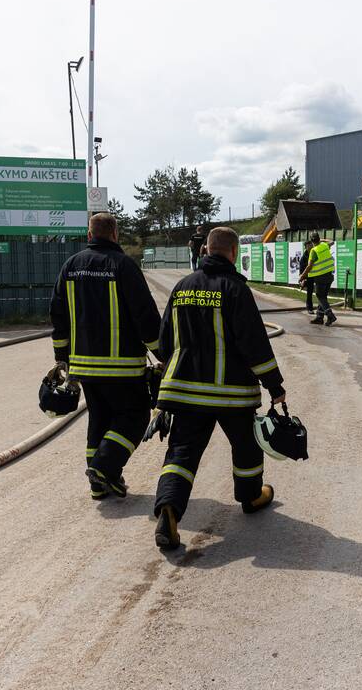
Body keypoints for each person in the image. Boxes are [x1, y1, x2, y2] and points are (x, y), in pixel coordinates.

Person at [152, 226, 286, 550]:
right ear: (234, 252)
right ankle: (251, 497)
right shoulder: (235, 289)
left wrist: (168, 375)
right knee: (246, 448)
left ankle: (169, 508)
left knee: (182, 452)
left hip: (185, 392)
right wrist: (275, 385)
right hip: (232, 394)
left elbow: (164, 340)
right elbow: (254, 343)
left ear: (204, 251)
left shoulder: (182, 287)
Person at [49, 212, 163, 500]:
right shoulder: (122, 265)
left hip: (83, 366)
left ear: (89, 235)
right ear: (115, 234)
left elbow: (58, 314)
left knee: (99, 419)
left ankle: (97, 485)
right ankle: (104, 467)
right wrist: (162, 351)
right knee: (135, 417)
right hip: (122, 366)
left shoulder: (70, 266)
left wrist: (61, 357)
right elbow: (144, 314)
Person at [299, 232, 336, 326]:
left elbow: (309, 266)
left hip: (320, 277)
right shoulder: (324, 245)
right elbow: (332, 241)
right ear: (319, 239)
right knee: (323, 296)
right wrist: (322, 240)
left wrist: (302, 276)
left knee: (320, 296)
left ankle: (330, 315)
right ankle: (319, 317)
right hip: (329, 276)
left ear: (311, 241)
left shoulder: (313, 251)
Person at [302, 240, 315, 313]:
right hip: (309, 276)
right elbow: (302, 268)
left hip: (317, 275)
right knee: (309, 293)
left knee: (320, 294)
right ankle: (310, 308)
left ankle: (322, 309)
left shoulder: (314, 252)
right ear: (306, 247)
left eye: (311, 245)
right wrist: (303, 278)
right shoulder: (304, 257)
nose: (310, 247)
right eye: (308, 246)